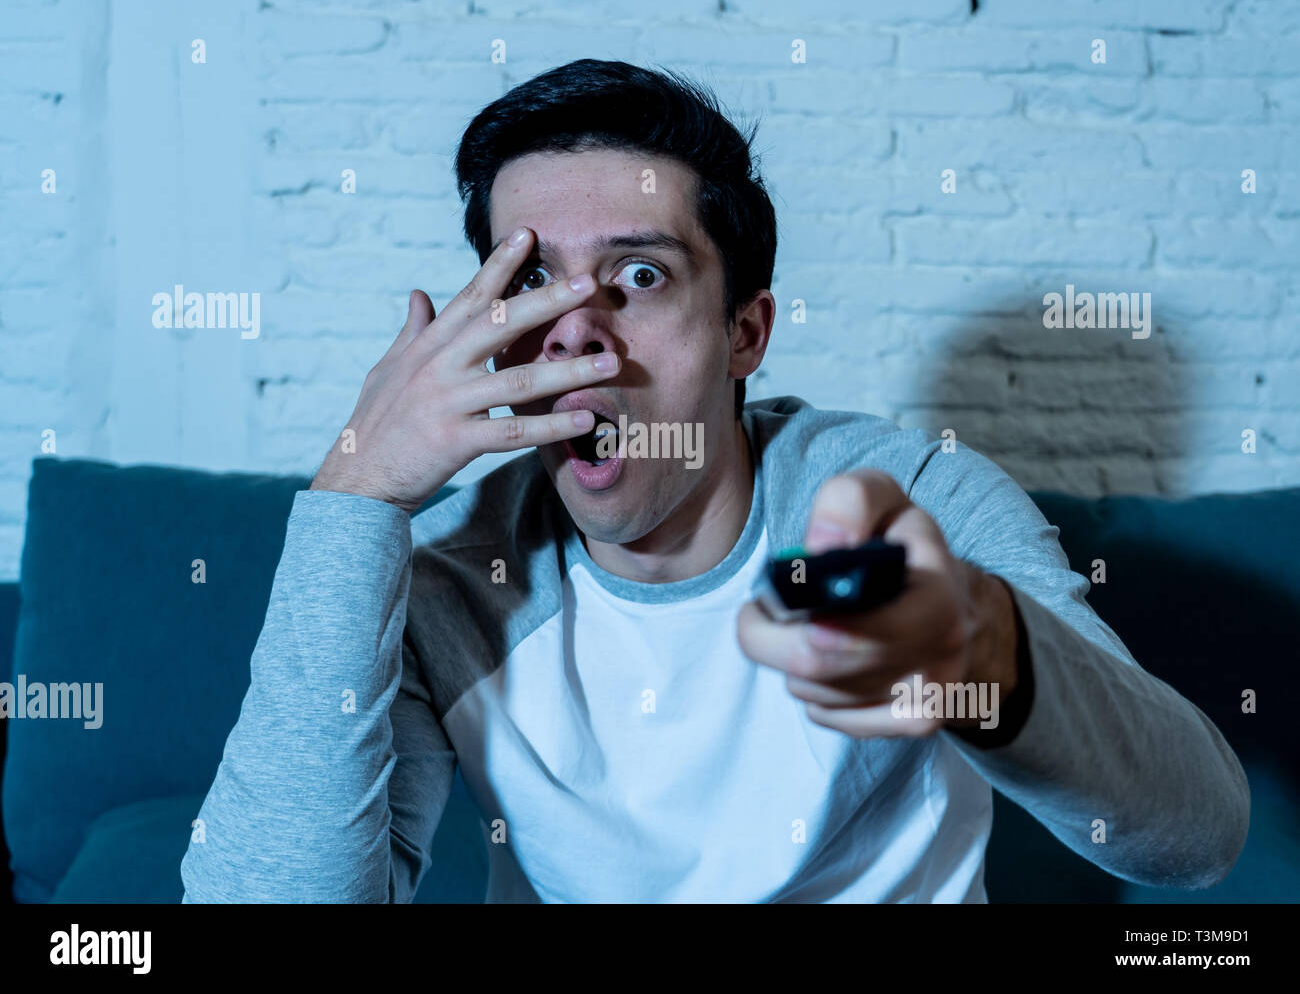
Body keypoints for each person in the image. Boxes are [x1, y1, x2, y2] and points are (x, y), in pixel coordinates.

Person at [180, 59, 1248, 903]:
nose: (576, 333)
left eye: (638, 276)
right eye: (532, 279)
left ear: (745, 331)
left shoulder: (913, 501)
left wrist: (985, 653)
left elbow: (1195, 836)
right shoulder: (451, 576)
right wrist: (355, 493)